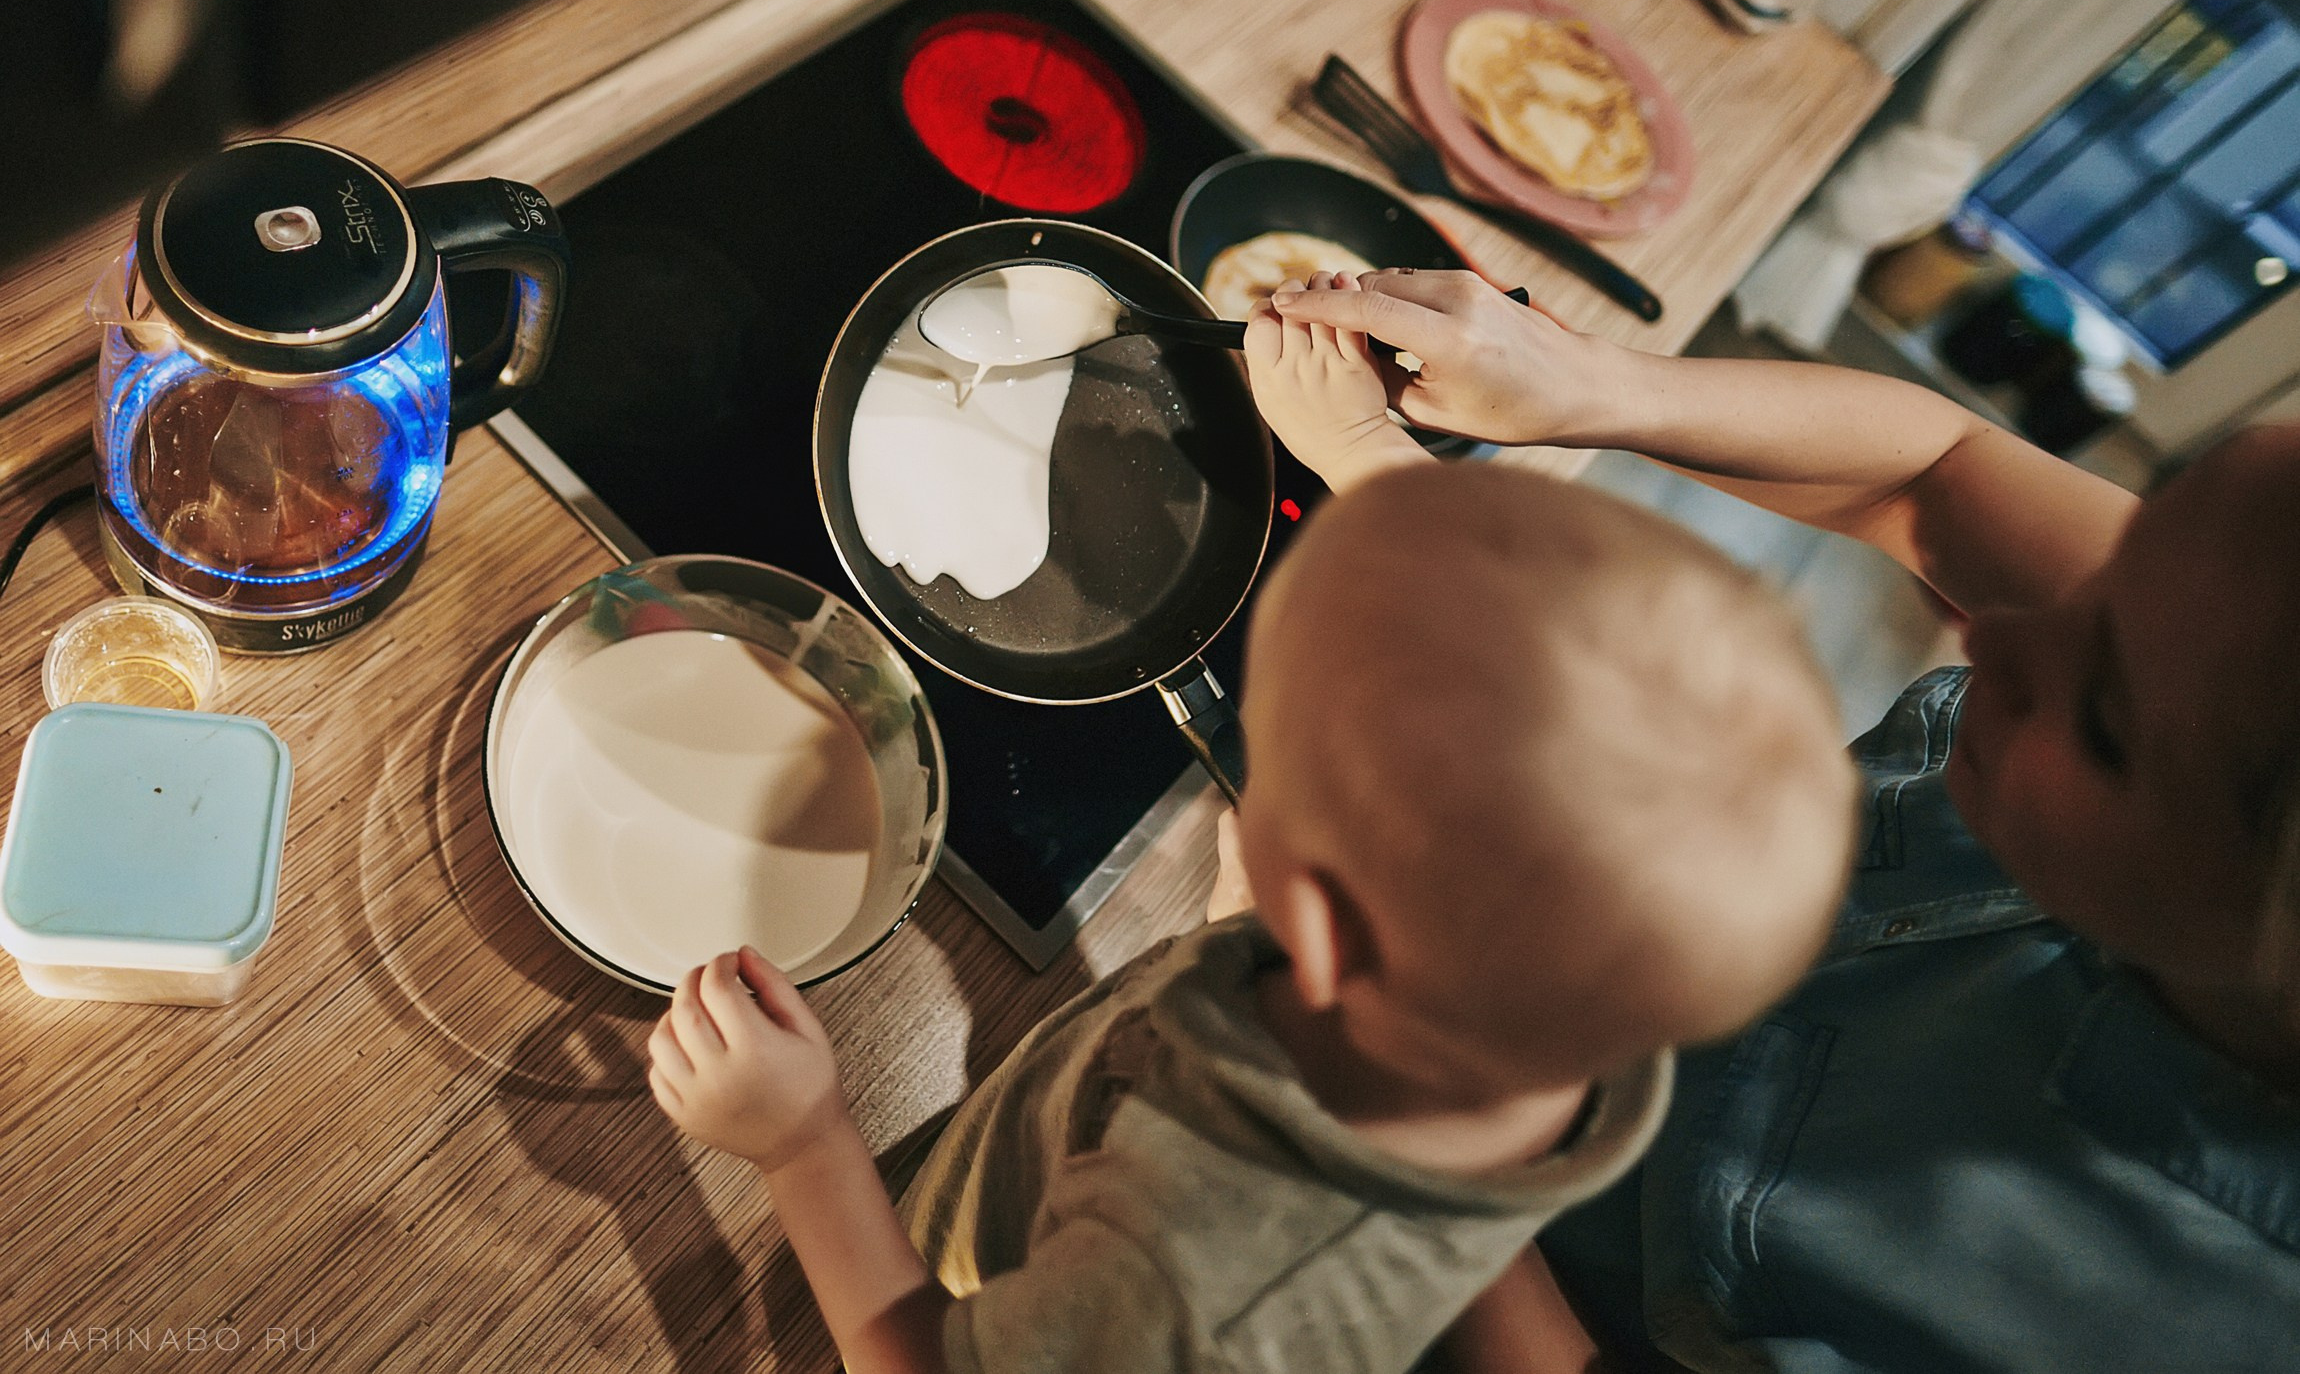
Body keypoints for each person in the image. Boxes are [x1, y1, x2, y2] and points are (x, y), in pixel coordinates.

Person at [1252, 268, 2300, 1372]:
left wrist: (1409, 1096)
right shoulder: (2230, 656)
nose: (1991, 639)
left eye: (2096, 719)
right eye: (2115, 567)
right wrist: (1588, 386)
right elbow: (1935, 477)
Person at [644, 460, 1860, 1374]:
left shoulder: (1192, 1286)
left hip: (971, 1289)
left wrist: (802, 1145)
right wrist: (1245, 924)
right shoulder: (1567, 1046)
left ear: (1326, 934)